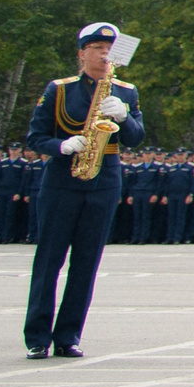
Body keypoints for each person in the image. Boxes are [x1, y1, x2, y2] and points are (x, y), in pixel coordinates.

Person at [23, 22, 148, 359]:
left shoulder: (126, 90)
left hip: (104, 179)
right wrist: (63, 145)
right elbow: (35, 138)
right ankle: (37, 336)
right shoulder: (59, 89)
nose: (105, 53)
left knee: (86, 262)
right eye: (97, 48)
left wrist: (124, 116)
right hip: (63, 179)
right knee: (49, 259)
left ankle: (68, 335)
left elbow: (136, 138)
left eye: (109, 48)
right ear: (81, 53)